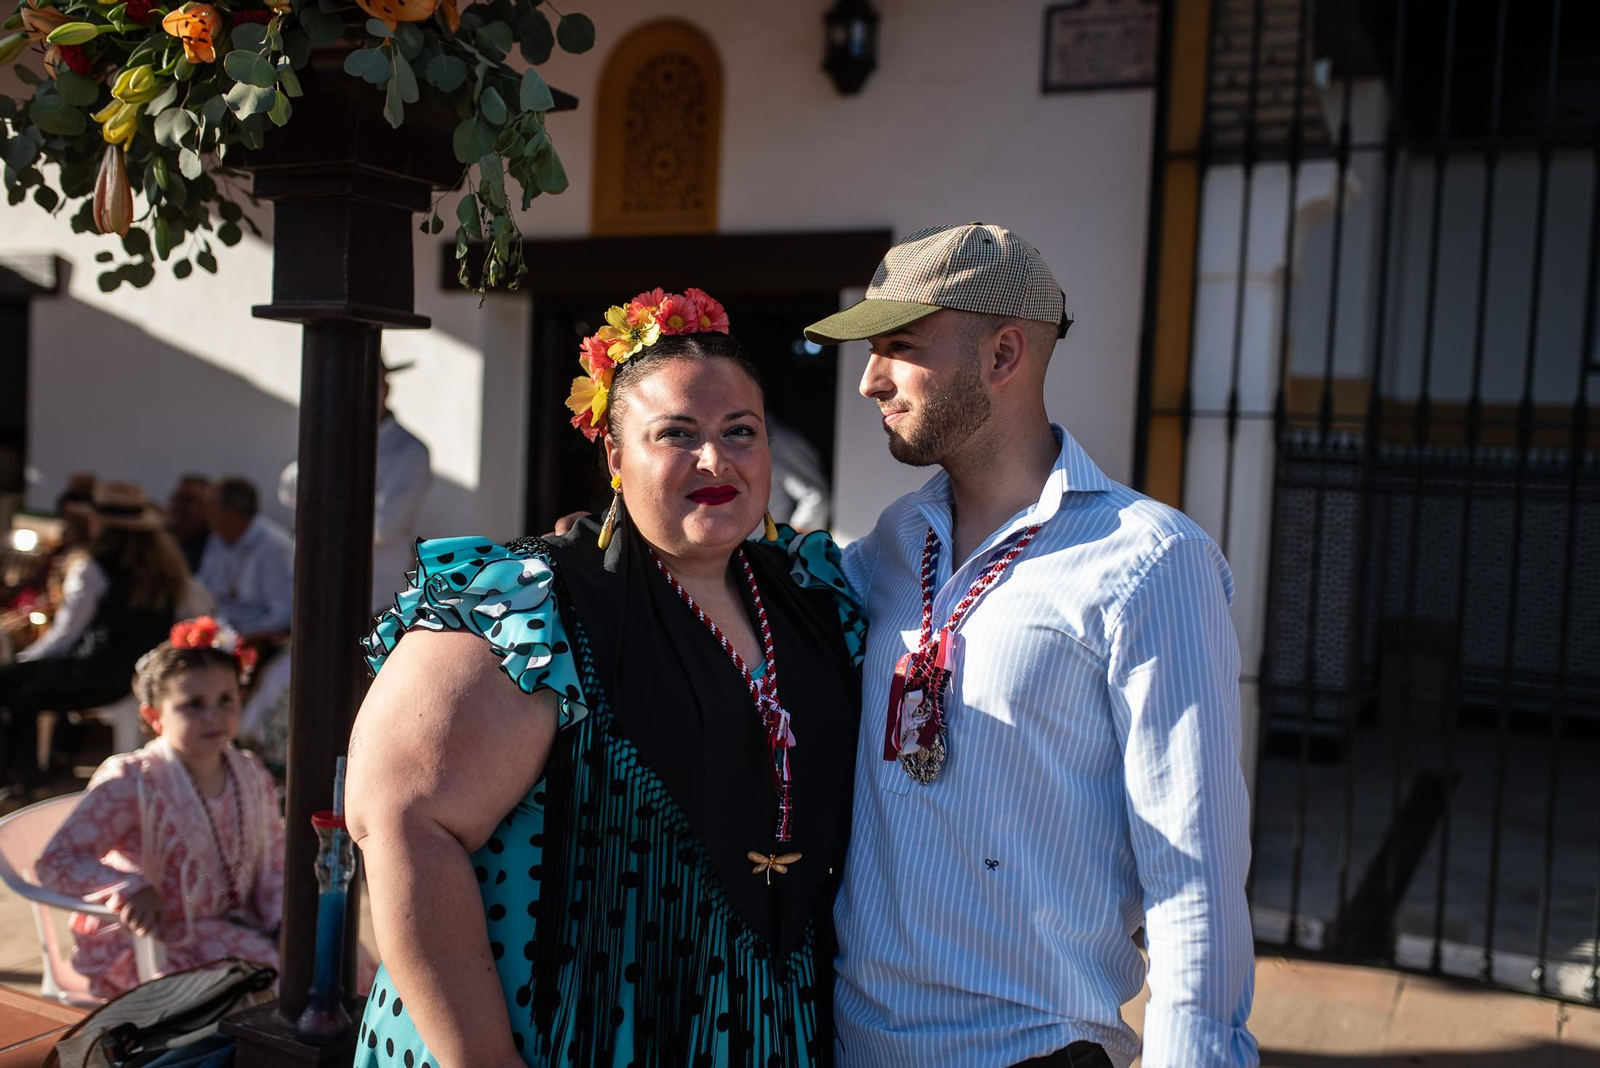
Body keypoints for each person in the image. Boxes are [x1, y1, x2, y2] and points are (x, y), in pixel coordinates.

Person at [346, 287, 864, 1067]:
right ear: (617, 458)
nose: (715, 459)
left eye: (740, 433)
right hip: (561, 1027)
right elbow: (401, 822)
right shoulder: (533, 603)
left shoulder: (814, 598)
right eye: (676, 434)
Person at [803, 224, 1257, 1068]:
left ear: (1003, 354)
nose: (869, 380)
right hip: (855, 1044)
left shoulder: (1151, 561)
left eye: (900, 346)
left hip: (1034, 1053)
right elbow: (771, 601)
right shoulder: (898, 537)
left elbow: (1192, 870)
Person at [35, 618, 284, 1000]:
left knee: (328, 961)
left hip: (229, 926)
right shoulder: (133, 780)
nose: (213, 716)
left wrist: (282, 919)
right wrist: (128, 888)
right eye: (193, 705)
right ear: (155, 717)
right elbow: (57, 860)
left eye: (225, 700)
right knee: (274, 985)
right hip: (149, 939)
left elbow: (273, 862)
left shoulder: (250, 772)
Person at [0, 482, 203, 798]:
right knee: (22, 685)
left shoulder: (93, 566)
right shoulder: (168, 565)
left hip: (98, 674)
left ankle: (28, 779)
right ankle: (39, 773)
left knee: (12, 684)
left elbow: (65, 636)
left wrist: (24, 662)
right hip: (142, 674)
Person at [277, 358, 433, 616]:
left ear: (385, 388)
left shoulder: (410, 450)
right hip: (318, 584)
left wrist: (322, 505)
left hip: (376, 594)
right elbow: (289, 490)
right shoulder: (331, 437)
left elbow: (383, 527)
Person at [195, 477, 293, 639]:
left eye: (211, 509)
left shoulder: (274, 545)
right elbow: (205, 590)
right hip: (218, 633)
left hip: (257, 640)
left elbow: (283, 613)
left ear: (232, 512)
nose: (205, 516)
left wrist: (246, 638)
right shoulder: (217, 539)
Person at [166, 474, 213, 574]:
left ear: (207, 508)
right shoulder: (158, 540)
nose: (178, 506)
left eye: (188, 500)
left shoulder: (214, 547)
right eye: (176, 498)